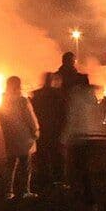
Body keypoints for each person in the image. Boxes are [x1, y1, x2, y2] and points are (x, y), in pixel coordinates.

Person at [61, 71, 105, 208]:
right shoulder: (91, 97)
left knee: (77, 167)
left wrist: (63, 138)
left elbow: (72, 118)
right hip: (91, 135)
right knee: (86, 167)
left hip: (77, 136)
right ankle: (90, 197)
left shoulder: (75, 96)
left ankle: (84, 197)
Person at [31, 59, 72, 188]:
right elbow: (64, 112)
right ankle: (58, 179)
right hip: (55, 129)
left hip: (42, 130)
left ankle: (43, 178)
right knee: (56, 155)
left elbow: (33, 113)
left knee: (42, 155)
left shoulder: (36, 95)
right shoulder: (57, 95)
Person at [0, 76, 39, 200]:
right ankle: (26, 191)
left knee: (10, 166)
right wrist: (35, 131)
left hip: (10, 137)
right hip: (24, 137)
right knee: (25, 166)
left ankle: (9, 192)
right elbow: (30, 119)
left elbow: (3, 121)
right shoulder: (22, 101)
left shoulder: (3, 102)